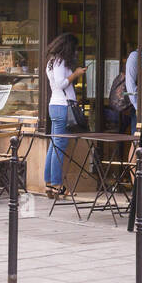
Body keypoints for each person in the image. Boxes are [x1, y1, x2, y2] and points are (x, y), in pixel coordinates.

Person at [45, 33, 84, 197]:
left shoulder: (51, 61)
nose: (75, 52)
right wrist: (76, 74)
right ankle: (56, 185)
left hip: (55, 105)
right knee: (59, 146)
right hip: (62, 106)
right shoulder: (60, 62)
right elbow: (61, 84)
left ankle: (49, 183)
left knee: (54, 145)